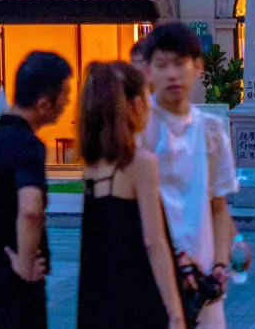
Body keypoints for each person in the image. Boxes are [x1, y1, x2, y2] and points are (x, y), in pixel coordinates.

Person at [0, 50, 73, 329]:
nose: (68, 102)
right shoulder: (26, 145)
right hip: (12, 294)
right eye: (65, 95)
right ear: (45, 104)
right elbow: (31, 208)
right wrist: (24, 262)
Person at [142, 23, 237, 328]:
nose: (172, 74)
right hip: (153, 276)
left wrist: (220, 264)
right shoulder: (137, 131)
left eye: (180, 63)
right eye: (162, 65)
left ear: (197, 67)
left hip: (203, 275)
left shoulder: (210, 130)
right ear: (148, 71)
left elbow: (218, 207)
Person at [77, 61, 185, 329]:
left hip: (99, 294)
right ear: (136, 104)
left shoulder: (92, 165)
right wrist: (176, 312)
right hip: (137, 295)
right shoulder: (139, 163)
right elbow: (154, 242)